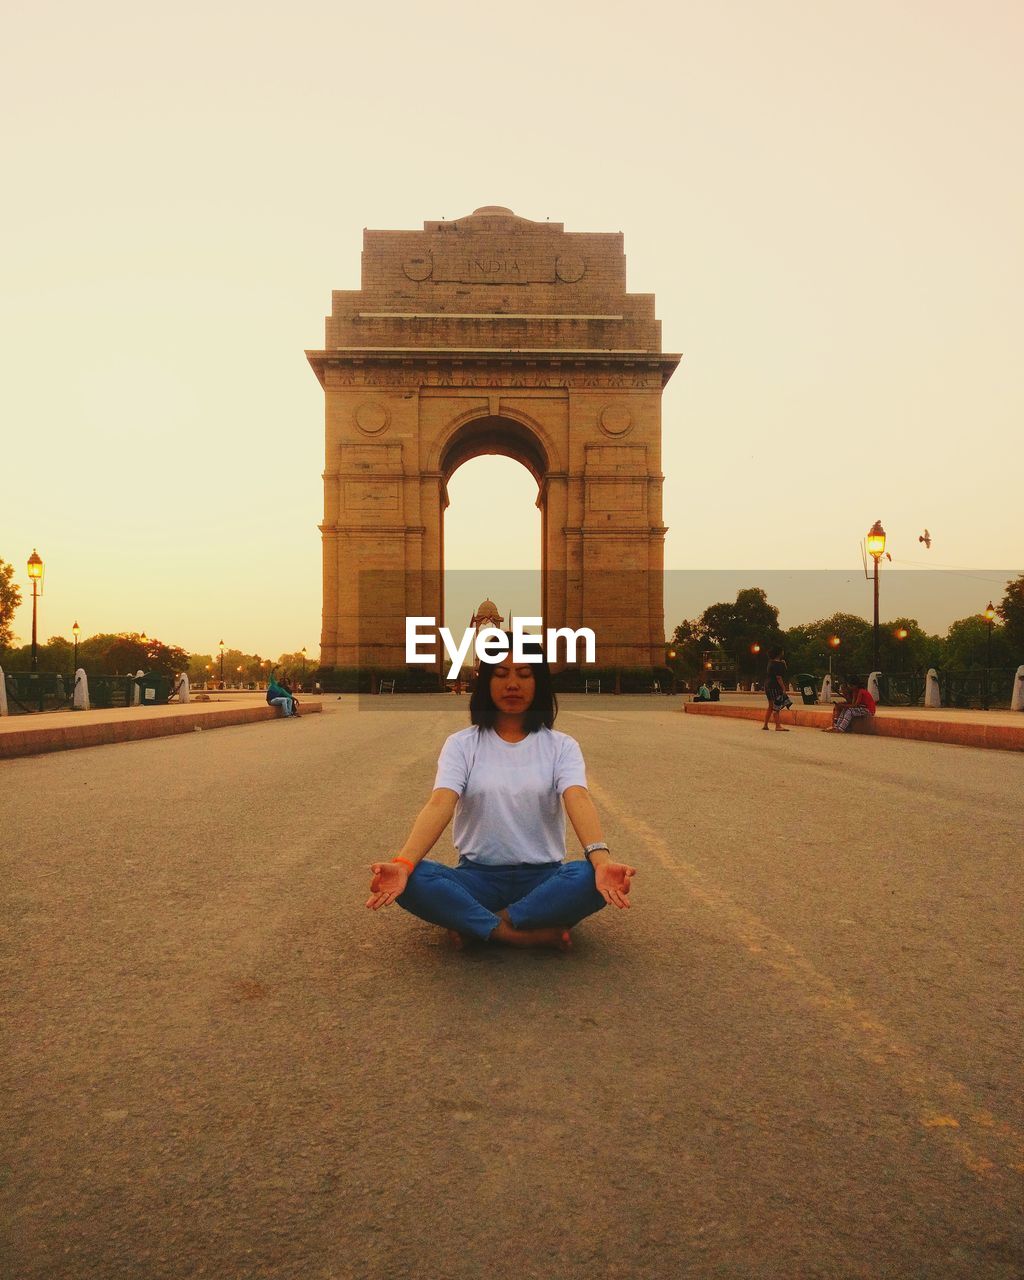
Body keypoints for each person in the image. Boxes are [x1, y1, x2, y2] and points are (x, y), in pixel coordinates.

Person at [365, 642, 636, 950]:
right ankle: (519, 932)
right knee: (413, 880)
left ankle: (479, 925)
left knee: (589, 877)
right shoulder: (461, 745)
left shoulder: (562, 746)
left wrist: (602, 861)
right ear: (485, 681)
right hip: (476, 878)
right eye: (501, 674)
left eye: (524, 674)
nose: (512, 684)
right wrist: (403, 864)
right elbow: (440, 802)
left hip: (543, 878)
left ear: (539, 683)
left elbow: (578, 798)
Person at [762, 646, 792, 731]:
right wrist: (783, 688)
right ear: (779, 653)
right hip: (775, 686)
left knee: (770, 706)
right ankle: (778, 726)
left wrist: (783, 663)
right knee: (777, 706)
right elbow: (779, 677)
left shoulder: (770, 662)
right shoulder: (778, 664)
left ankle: (765, 725)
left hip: (767, 685)